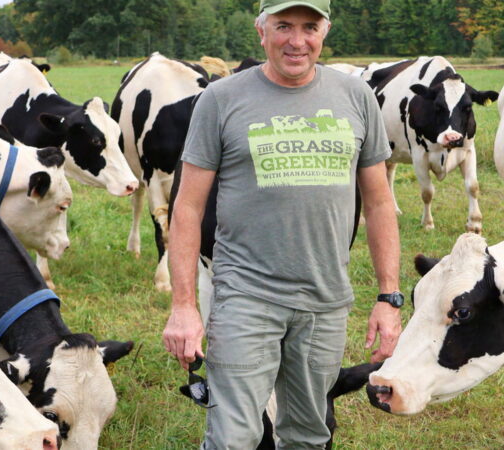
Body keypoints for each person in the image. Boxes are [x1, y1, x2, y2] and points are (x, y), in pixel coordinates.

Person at [162, 0, 402, 447]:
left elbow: (379, 203)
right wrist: (184, 306)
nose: (297, 41)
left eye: (309, 27)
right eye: (284, 26)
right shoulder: (221, 99)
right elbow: (187, 208)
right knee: (233, 438)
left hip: (324, 303)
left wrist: (389, 297)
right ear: (261, 31)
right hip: (245, 298)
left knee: (308, 435)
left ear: (325, 31)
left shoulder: (356, 97)